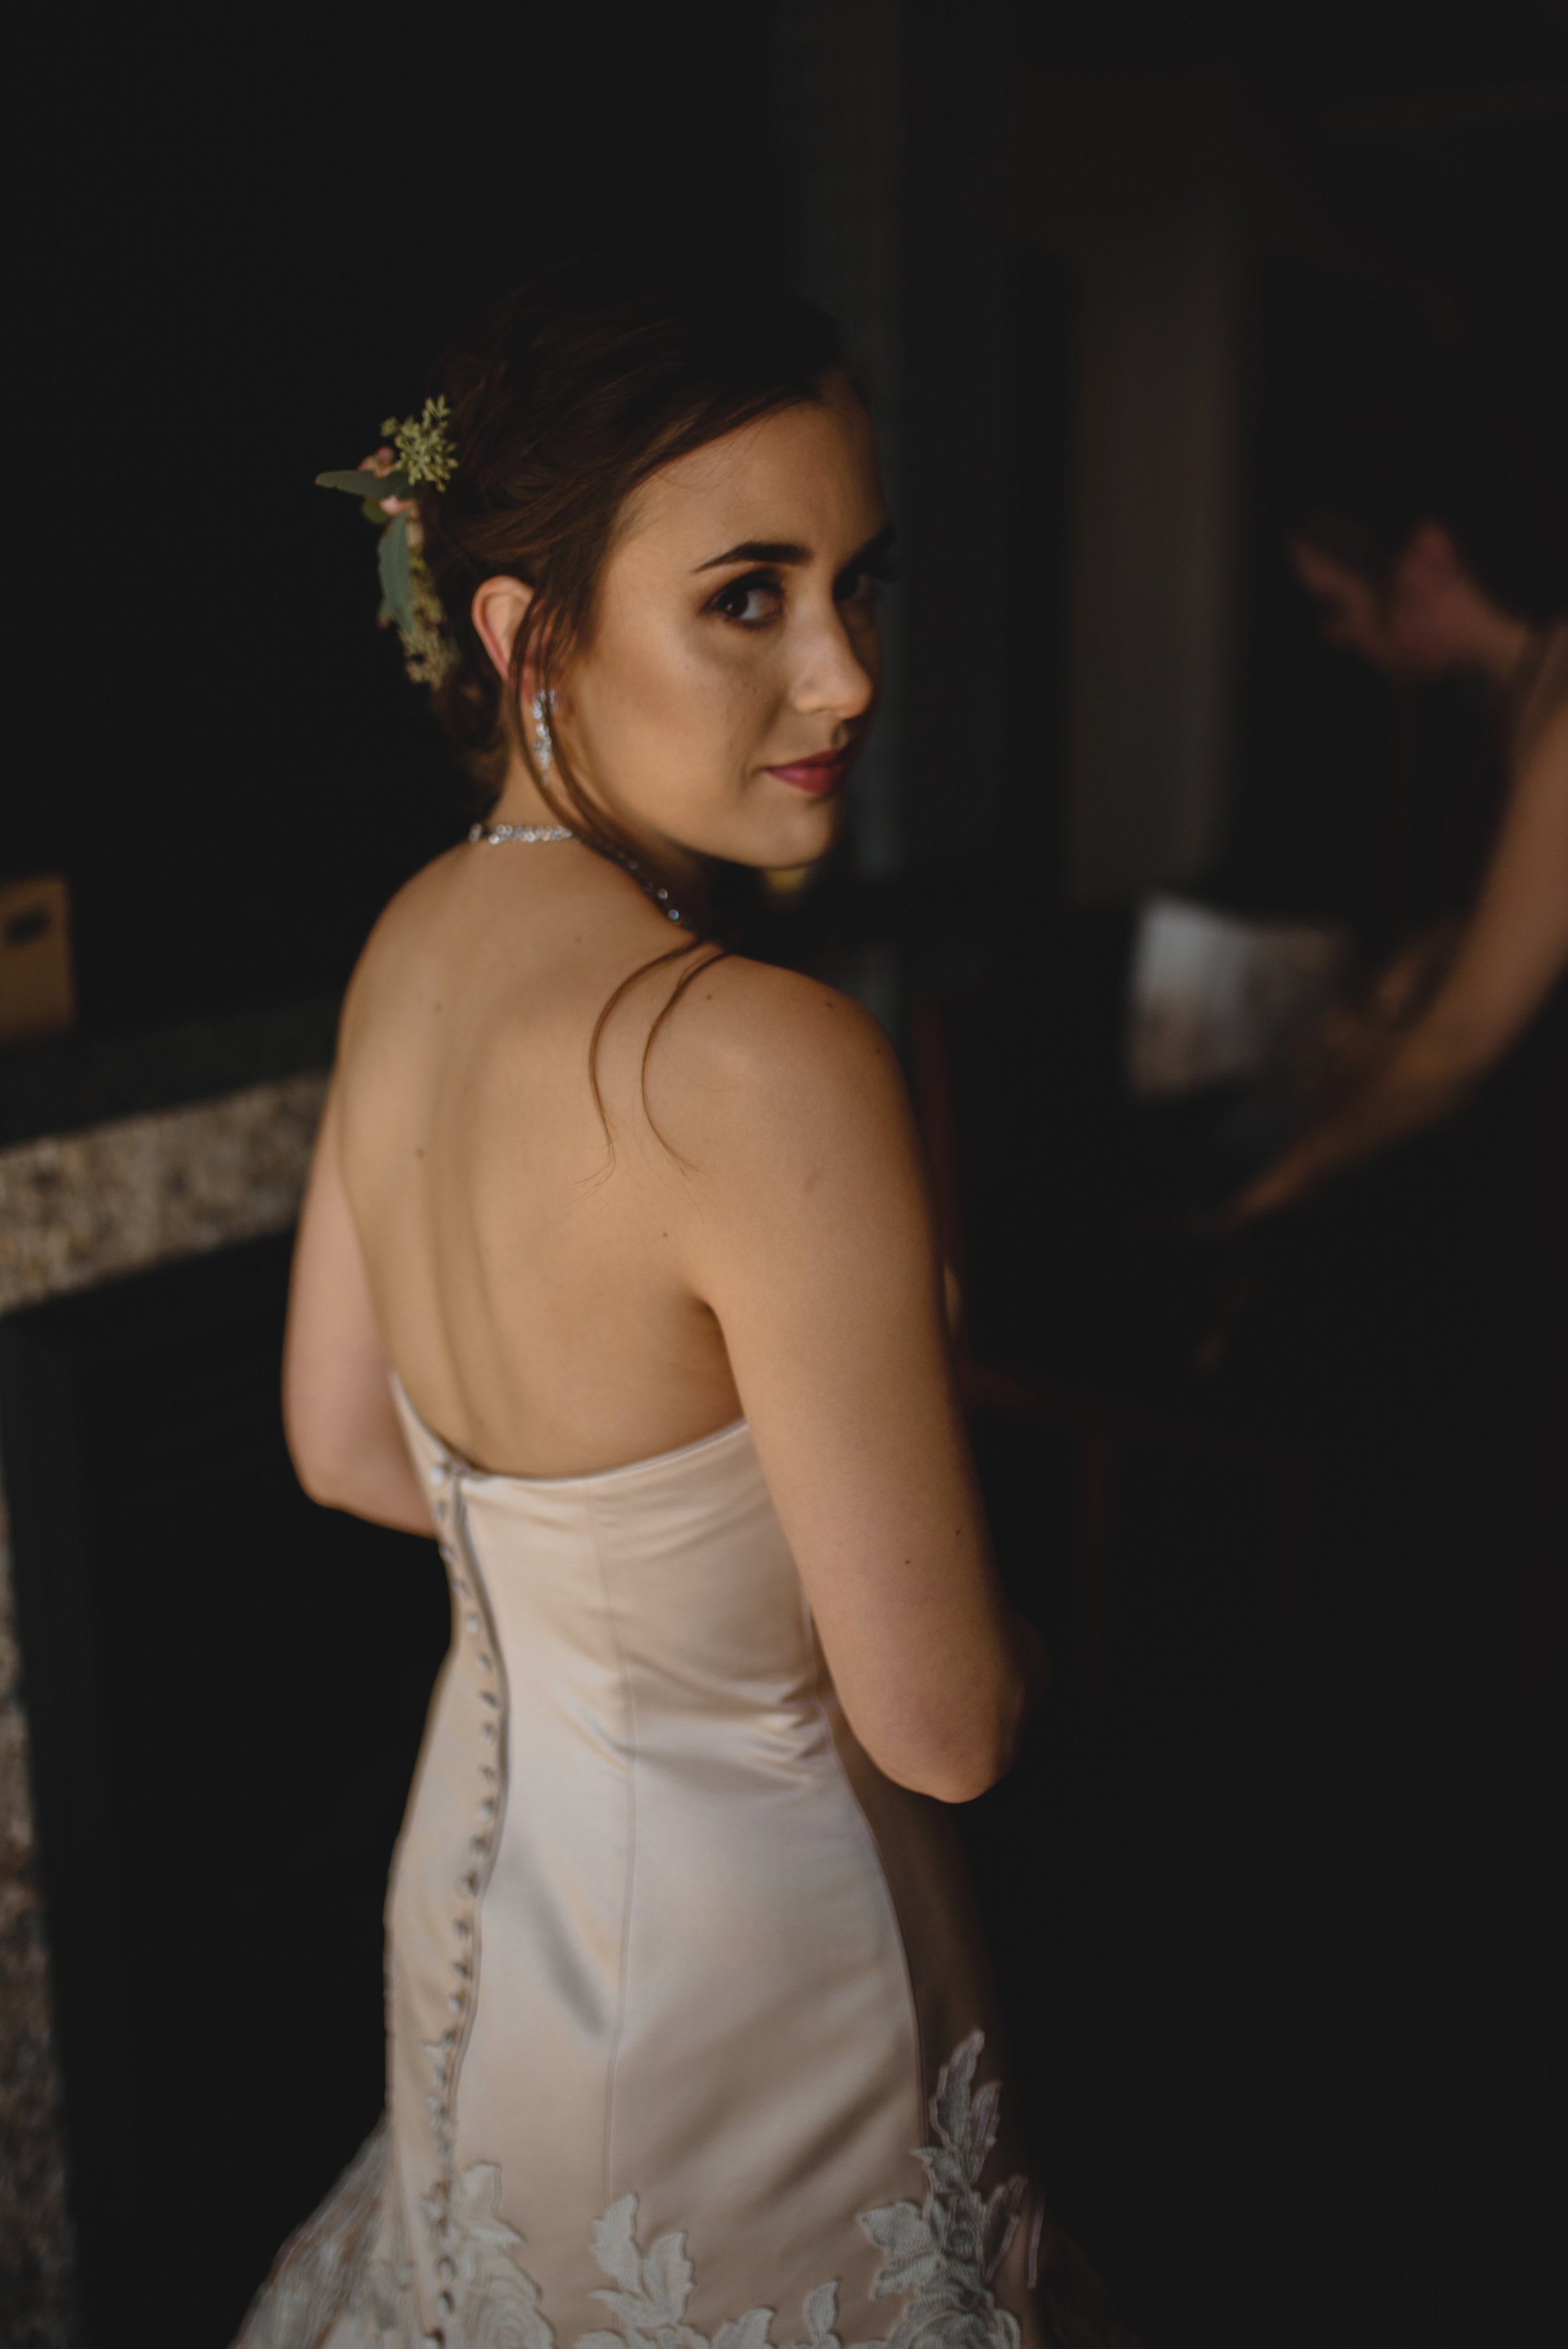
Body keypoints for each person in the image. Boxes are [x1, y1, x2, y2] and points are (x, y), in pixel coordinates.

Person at [236, 258, 1113, 2349]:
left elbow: (344, 1444)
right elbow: (944, 1721)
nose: (847, 675)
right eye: (748, 594)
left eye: (859, 584)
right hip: (756, 1982)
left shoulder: (410, 941)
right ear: (529, 636)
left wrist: (608, 1606)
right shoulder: (758, 1059)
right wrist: (1025, 1633)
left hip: (483, 1901)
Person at [1232, 433, 1568, 1222]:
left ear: (1426, 559)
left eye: (1335, 604)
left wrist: (1290, 1175)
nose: (1336, 636)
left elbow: (1463, 1042)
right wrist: (1402, 987)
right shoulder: (1513, 699)